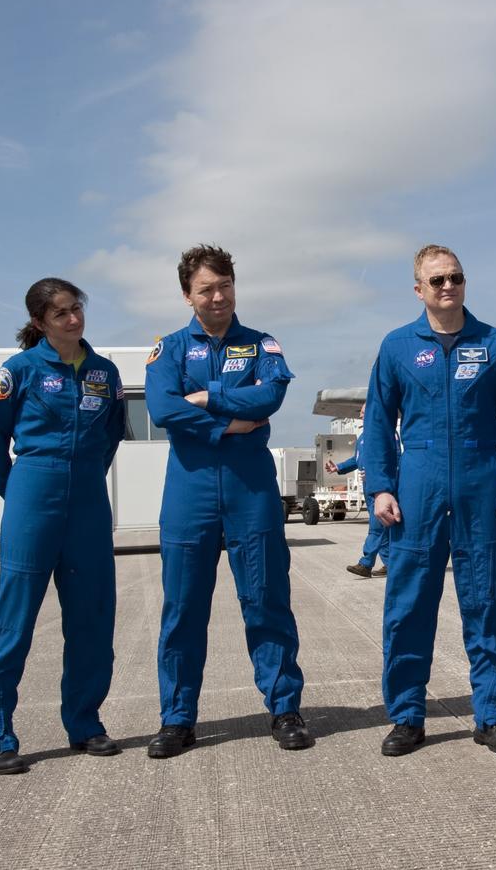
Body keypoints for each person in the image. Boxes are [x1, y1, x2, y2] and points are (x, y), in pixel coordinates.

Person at [363, 244, 496, 758]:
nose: (447, 287)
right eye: (436, 280)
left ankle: (491, 715)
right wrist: (381, 487)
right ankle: (407, 716)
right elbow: (377, 420)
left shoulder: (494, 344)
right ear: (419, 289)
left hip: (482, 483)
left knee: (488, 603)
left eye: (456, 278)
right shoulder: (397, 347)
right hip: (417, 487)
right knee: (408, 606)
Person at [144, 244, 311, 758]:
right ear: (186, 295)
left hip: (250, 489)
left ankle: (284, 708)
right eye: (205, 289)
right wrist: (230, 424)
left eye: (225, 286)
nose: (217, 297)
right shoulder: (169, 348)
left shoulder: (262, 345)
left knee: (265, 599)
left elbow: (270, 398)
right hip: (189, 490)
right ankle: (178, 719)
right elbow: (160, 407)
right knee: (183, 609)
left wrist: (207, 398)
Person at [0, 279, 126, 774]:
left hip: (87, 500)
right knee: (14, 619)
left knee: (92, 616)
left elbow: (110, 436)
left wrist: (83, 480)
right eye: (60, 314)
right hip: (33, 493)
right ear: (39, 322)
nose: (73, 320)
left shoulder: (105, 371)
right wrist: (16, 490)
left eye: (76, 309)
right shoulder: (16, 372)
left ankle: (84, 722)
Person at [325, 403, 392, 575]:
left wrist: (377, 476)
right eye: (360, 413)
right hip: (369, 489)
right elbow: (357, 460)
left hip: (381, 489)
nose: (360, 416)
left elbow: (394, 459)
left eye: (364, 413)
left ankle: (366, 563)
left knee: (376, 528)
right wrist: (338, 467)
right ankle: (391, 564)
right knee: (382, 529)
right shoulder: (363, 437)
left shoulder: (385, 433)